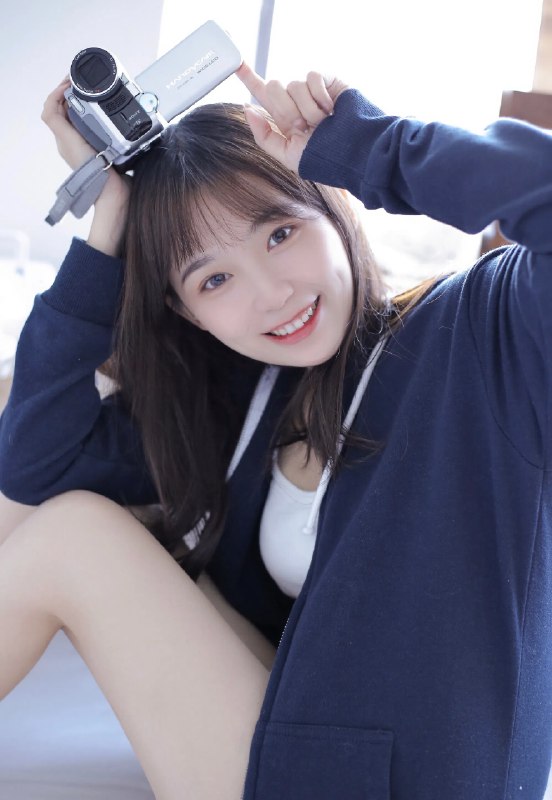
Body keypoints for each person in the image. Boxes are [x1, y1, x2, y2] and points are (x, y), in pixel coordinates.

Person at [0, 58, 551, 800]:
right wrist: (109, 221)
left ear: (331, 203)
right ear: (189, 312)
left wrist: (364, 144)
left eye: (280, 233)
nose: (271, 294)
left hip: (402, 782)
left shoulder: (479, 335)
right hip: (302, 745)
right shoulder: (247, 397)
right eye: (213, 279)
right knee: (72, 519)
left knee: (73, 537)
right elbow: (33, 462)